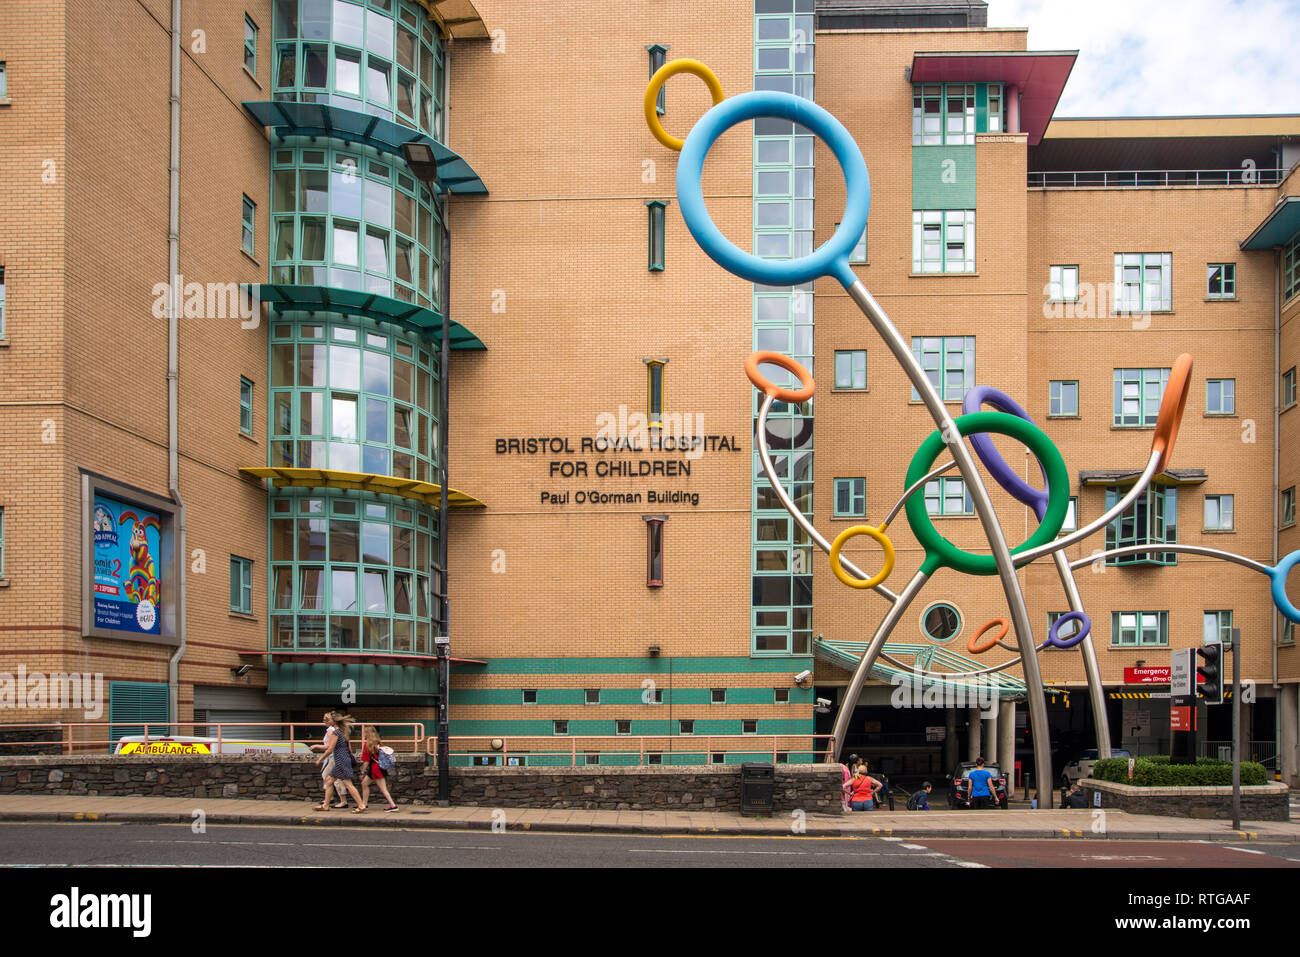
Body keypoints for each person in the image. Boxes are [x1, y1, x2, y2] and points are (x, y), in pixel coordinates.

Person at [315, 712, 366, 812]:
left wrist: (320, 759)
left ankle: (361, 805)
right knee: (329, 781)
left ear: (334, 721)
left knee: (348, 784)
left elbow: (330, 749)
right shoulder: (343, 732)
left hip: (340, 760)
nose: (326, 721)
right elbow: (348, 748)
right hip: (344, 759)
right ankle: (325, 805)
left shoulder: (336, 733)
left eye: (328, 720)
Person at [310, 712, 348, 809]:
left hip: (334, 757)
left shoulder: (333, 731)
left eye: (326, 719)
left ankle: (343, 801)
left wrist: (317, 749)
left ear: (332, 721)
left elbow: (329, 747)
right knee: (329, 779)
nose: (324, 722)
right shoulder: (336, 730)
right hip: (336, 757)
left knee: (337, 780)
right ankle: (328, 801)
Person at [359, 725, 398, 812]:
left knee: (383, 788)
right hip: (378, 767)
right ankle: (363, 804)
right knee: (364, 784)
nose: (363, 734)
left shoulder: (367, 745)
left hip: (375, 769)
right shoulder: (377, 743)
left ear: (367, 734)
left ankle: (393, 805)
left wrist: (362, 772)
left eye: (365, 733)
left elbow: (366, 761)